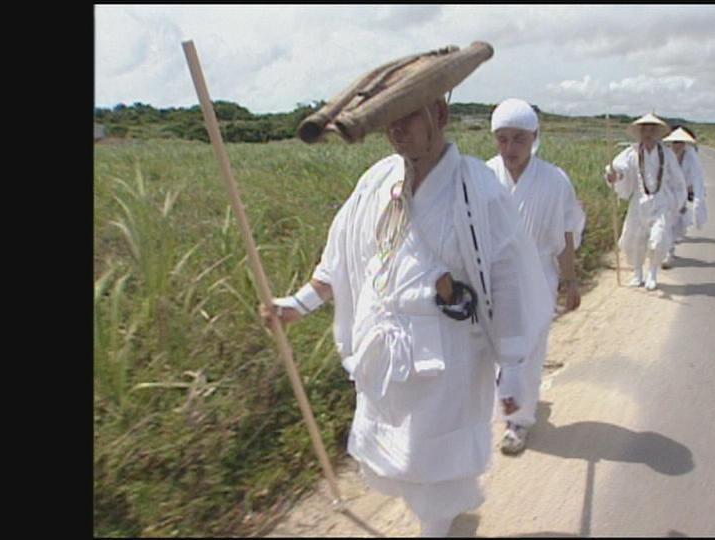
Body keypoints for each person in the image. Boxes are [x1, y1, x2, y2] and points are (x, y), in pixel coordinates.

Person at [260, 68, 552, 536]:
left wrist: (512, 370)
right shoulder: (378, 180)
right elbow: (344, 253)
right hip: (387, 353)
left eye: (407, 119)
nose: (396, 132)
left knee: (437, 466)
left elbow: (508, 282)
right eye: (388, 122)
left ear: (439, 114)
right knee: (399, 456)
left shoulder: (479, 189)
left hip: (451, 359)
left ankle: (436, 525)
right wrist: (300, 303)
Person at [485, 98, 585, 454]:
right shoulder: (483, 177)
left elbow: (565, 235)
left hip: (538, 279)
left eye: (519, 139)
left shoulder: (555, 181)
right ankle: (503, 404)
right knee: (496, 354)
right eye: (503, 139)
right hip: (492, 282)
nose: (510, 148)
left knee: (527, 353)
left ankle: (519, 421)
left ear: (534, 137)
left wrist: (570, 281)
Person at [604, 113, 686, 290]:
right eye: (645, 130)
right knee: (633, 240)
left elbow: (678, 180)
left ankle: (653, 273)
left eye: (651, 130)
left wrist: (678, 203)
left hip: (661, 201)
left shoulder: (667, 154)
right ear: (640, 133)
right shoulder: (632, 152)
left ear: (657, 133)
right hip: (639, 203)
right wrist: (615, 175)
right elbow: (621, 168)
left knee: (658, 239)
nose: (648, 134)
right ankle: (637, 273)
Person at [661, 126, 707, 268]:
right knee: (664, 221)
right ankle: (664, 250)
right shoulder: (664, 153)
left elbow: (697, 175)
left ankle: (669, 251)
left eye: (681, 142)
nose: (677, 145)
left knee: (675, 223)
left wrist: (697, 194)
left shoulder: (691, 155)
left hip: (681, 194)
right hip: (665, 192)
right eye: (675, 141)